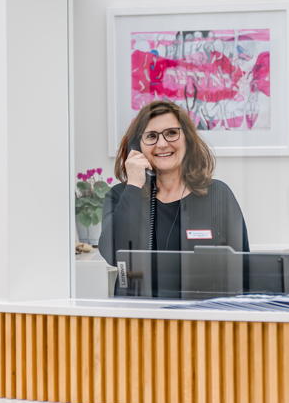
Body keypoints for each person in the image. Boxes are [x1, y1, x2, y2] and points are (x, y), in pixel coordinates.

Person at [99, 99, 249, 298]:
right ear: (138, 147)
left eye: (171, 133)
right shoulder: (121, 195)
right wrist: (134, 185)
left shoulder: (217, 194)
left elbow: (242, 268)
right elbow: (113, 254)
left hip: (201, 311)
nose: (162, 144)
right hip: (139, 312)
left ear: (187, 139)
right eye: (151, 136)